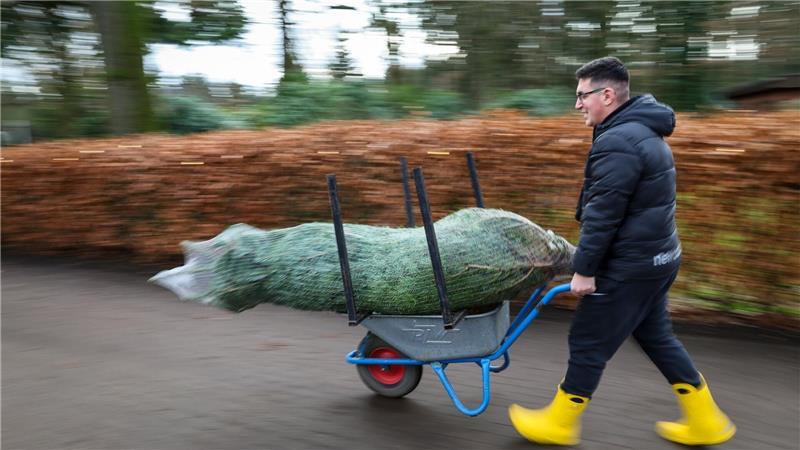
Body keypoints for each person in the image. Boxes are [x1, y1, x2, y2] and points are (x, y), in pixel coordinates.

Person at [508, 57, 736, 446]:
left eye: (582, 96)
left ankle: (560, 423)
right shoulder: (642, 131)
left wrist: (584, 269)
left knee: (588, 340)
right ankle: (706, 420)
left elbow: (604, 216)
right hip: (660, 258)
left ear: (607, 95)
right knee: (657, 337)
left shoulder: (619, 140)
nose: (577, 104)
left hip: (630, 264)